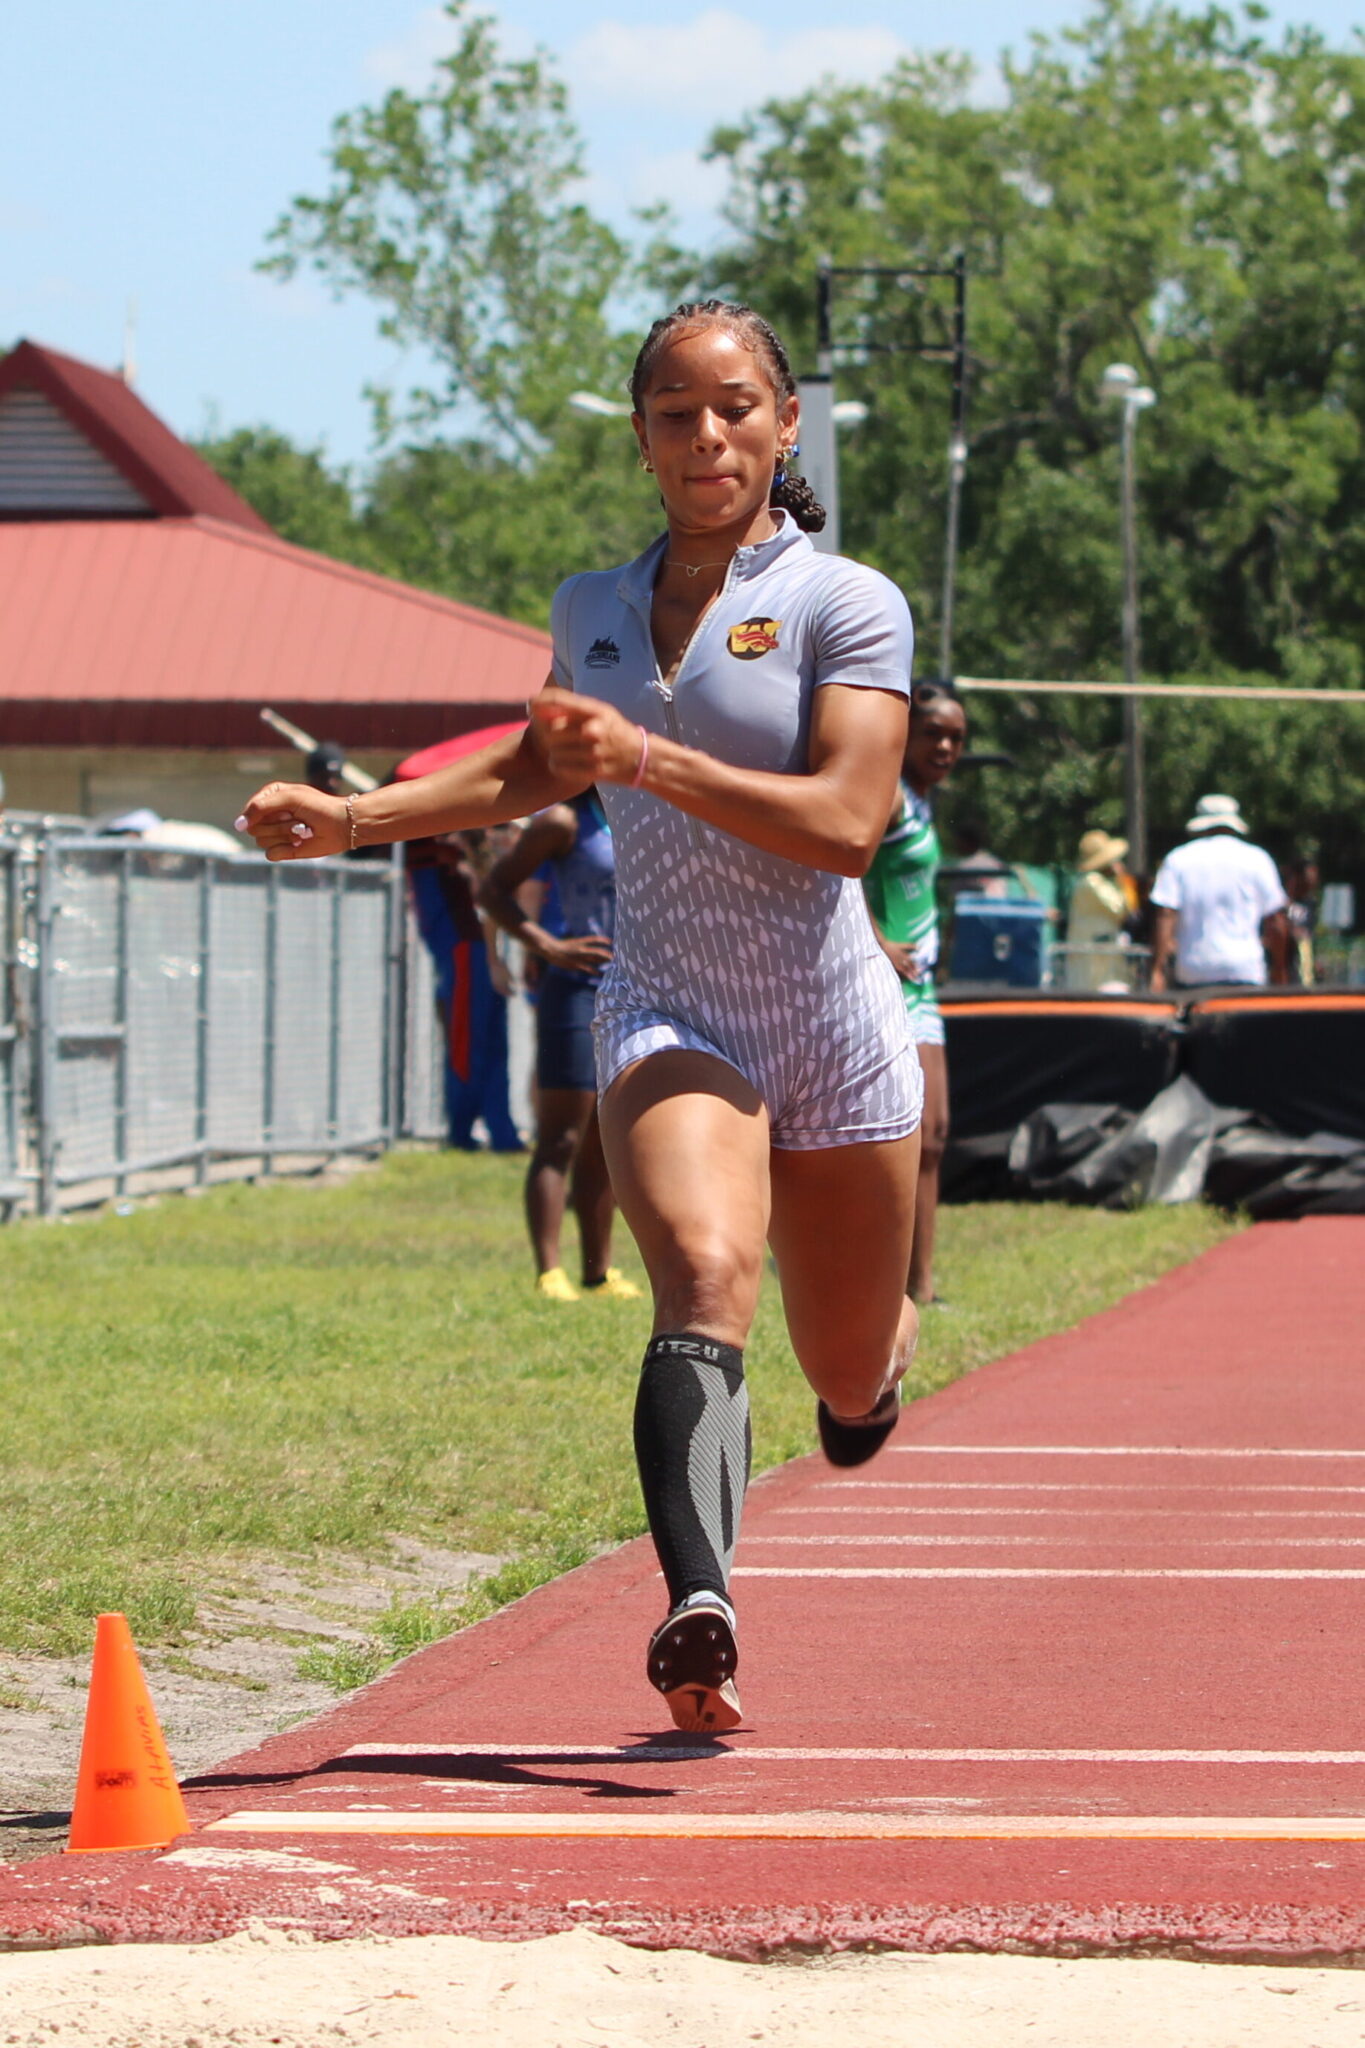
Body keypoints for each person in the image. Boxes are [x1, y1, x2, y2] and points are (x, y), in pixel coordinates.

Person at [239, 298, 920, 1735]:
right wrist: (351, 817)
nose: (708, 434)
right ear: (641, 438)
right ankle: (700, 1610)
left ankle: (873, 1375)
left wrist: (648, 760)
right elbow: (530, 774)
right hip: (672, 1006)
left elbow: (852, 821)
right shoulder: (591, 611)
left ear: (783, 425)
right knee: (704, 1274)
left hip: (833, 1019)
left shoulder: (843, 603)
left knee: (846, 1377)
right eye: (676, 413)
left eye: (736, 406)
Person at [478, 792, 642, 1303]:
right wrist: (548, 946)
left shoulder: (647, 811)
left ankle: (598, 1272)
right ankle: (550, 1270)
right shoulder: (565, 822)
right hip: (576, 990)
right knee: (561, 1137)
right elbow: (493, 890)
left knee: (605, 1140)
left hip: (637, 995)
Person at [863, 681, 965, 1307]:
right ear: (904, 735)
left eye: (956, 737)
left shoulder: (923, 801)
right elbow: (835, 870)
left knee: (935, 1135)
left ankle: (921, 1287)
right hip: (886, 988)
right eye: (933, 734)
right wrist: (879, 946)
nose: (947, 746)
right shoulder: (890, 796)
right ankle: (886, 1284)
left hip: (923, 990)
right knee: (906, 1137)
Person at [406, 829, 524, 1153]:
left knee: (488, 1047)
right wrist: (492, 959)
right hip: (465, 954)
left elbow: (486, 909)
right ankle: (462, 1130)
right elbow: (481, 911)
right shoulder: (441, 851)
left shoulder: (468, 856)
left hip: (474, 956)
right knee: (467, 1046)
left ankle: (499, 1132)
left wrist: (493, 959)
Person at [1148, 794, 1289, 991]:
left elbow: (1166, 914)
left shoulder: (1178, 859)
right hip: (1244, 969)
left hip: (1194, 968)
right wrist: (1279, 968)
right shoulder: (1258, 859)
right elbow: (1276, 919)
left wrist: (1158, 969)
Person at [1066, 828, 1133, 989]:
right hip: (1093, 954)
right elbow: (1119, 908)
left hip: (1101, 951)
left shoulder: (1096, 882)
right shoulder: (1092, 882)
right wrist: (1121, 879)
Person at [1283, 855, 1320, 985]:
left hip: (1303, 971)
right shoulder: (1280, 904)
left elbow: (1309, 934)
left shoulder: (1310, 904)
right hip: (1283, 972)